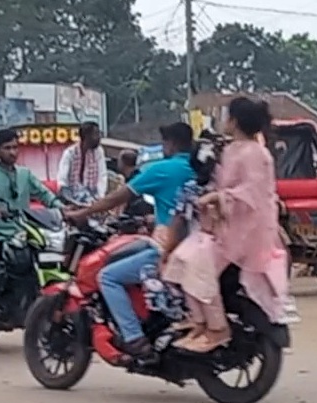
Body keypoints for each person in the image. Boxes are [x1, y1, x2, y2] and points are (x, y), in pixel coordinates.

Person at [66, 122, 196, 361]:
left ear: (171, 144)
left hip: (170, 248)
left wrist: (81, 213)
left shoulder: (162, 169)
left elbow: (117, 198)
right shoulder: (199, 167)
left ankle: (134, 338)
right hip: (196, 245)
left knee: (107, 276)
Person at [193, 97, 289, 351]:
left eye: (227, 116)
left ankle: (215, 327)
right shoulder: (235, 149)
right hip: (234, 225)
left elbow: (251, 192)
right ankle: (201, 322)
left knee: (196, 269)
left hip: (247, 230)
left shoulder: (254, 152)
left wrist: (217, 197)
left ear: (234, 121)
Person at [0, 129, 63, 357]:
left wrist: (62, 208)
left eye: (15, 147)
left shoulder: (25, 174)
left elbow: (45, 194)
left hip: (20, 233)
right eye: (7, 148)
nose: (12, 152)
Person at [163, 138, 225, 352]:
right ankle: (200, 323)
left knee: (178, 275)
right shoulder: (224, 186)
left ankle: (204, 323)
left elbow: (178, 221)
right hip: (223, 239)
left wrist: (165, 251)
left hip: (202, 241)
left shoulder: (190, 189)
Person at [56, 121, 107, 203]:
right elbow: (62, 179)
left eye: (99, 133)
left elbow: (102, 175)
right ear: (86, 136)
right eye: (96, 134)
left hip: (93, 195)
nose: (99, 137)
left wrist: (101, 196)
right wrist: (66, 197)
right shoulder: (70, 153)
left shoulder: (99, 151)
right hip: (72, 195)